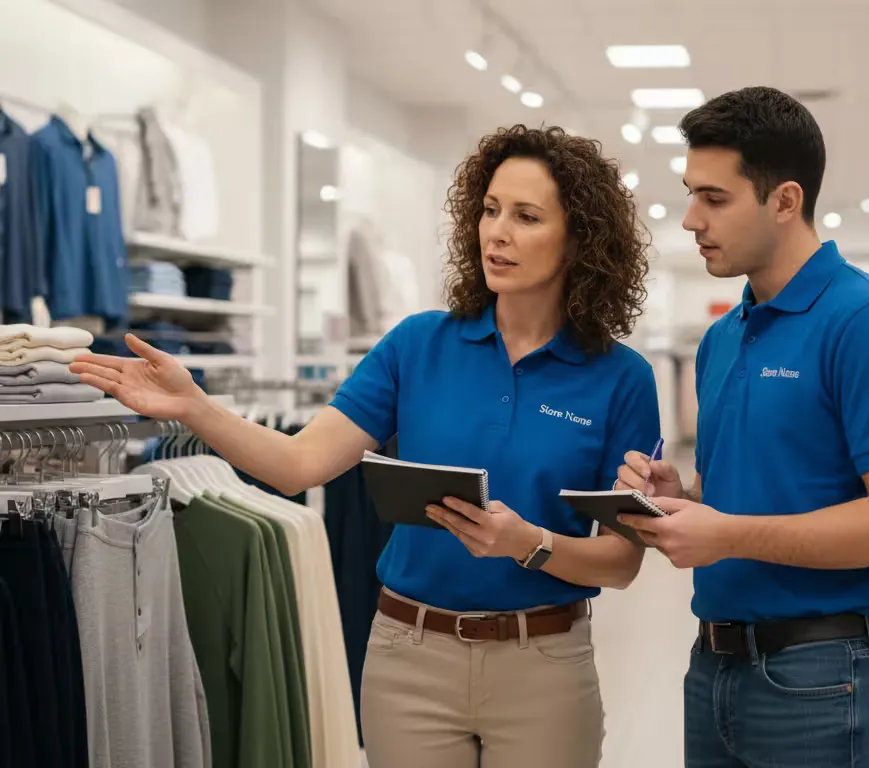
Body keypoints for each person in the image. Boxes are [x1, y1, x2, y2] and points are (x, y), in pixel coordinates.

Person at [73, 124, 662, 768]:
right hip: (409, 660)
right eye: (490, 210)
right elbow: (300, 464)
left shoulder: (619, 377)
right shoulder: (417, 345)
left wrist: (529, 543)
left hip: (545, 666)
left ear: (580, 239)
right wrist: (196, 407)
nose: (497, 231)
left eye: (526, 216)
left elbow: (619, 563)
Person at [614, 87, 869, 767]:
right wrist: (687, 499)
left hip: (826, 678)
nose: (689, 219)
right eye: (689, 194)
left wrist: (725, 533)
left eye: (714, 198)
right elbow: (748, 495)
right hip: (714, 667)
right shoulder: (722, 339)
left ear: (785, 201)